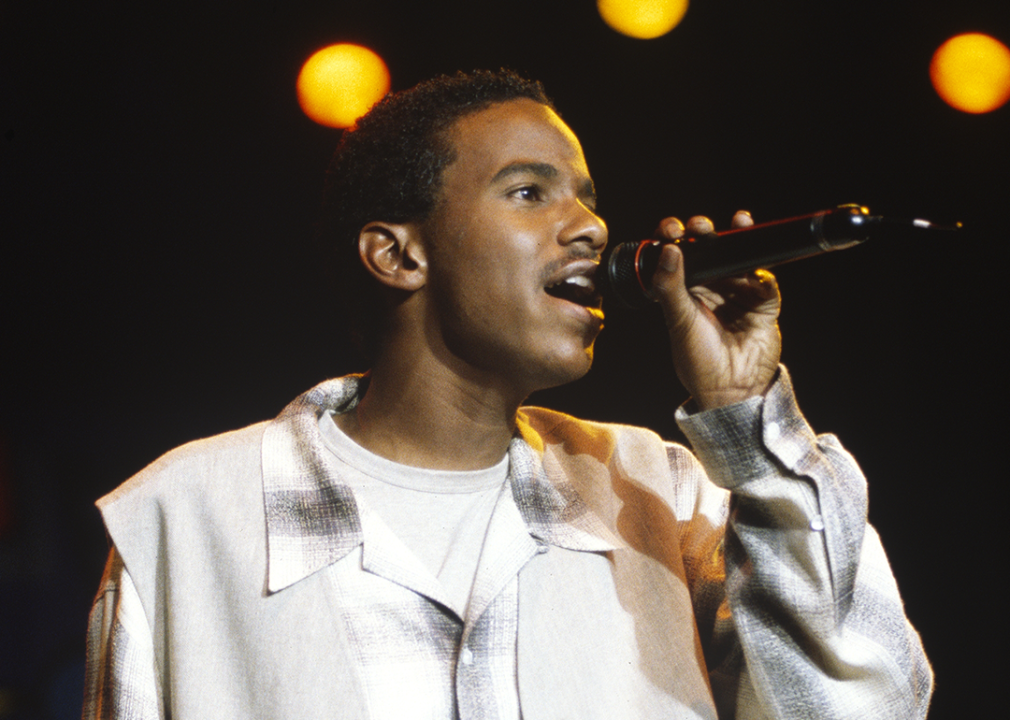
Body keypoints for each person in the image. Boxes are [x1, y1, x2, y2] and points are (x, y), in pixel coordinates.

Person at [82, 70, 932, 719]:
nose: (591, 228)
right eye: (530, 193)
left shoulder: (660, 495)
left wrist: (746, 421)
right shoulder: (189, 518)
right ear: (397, 255)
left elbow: (864, 702)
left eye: (588, 199)